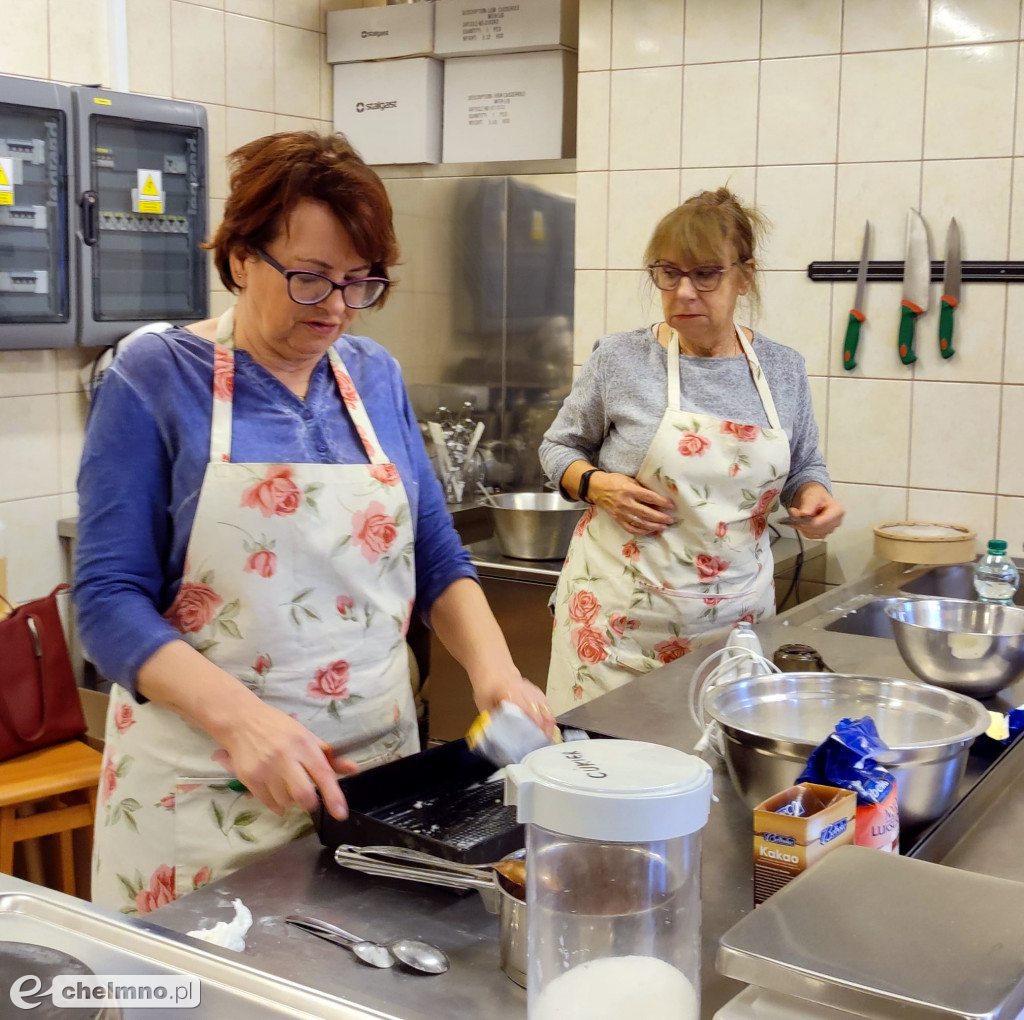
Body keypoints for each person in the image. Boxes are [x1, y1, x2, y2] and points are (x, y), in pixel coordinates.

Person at [75, 131, 553, 914]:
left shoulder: (375, 376)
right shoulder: (154, 375)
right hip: (207, 788)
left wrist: (495, 671)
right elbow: (106, 602)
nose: (336, 307)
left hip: (380, 790)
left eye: (360, 282)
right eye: (308, 278)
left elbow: (433, 555)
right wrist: (245, 723)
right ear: (238, 260)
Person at [539, 188, 844, 714]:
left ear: (743, 276)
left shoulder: (782, 368)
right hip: (614, 634)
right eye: (668, 273)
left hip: (733, 635)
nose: (683, 292)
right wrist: (596, 485)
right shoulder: (620, 359)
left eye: (705, 274)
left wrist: (814, 495)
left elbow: (804, 464)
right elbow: (558, 448)